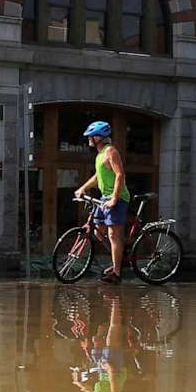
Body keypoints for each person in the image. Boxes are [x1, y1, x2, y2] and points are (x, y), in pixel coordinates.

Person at [73, 119, 131, 282]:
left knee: (113, 234)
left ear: (98, 137)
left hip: (118, 198)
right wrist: (83, 188)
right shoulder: (99, 155)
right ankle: (117, 257)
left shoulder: (111, 151)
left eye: (91, 136)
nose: (89, 139)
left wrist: (114, 198)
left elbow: (120, 175)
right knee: (99, 230)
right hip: (104, 198)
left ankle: (117, 273)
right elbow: (98, 177)